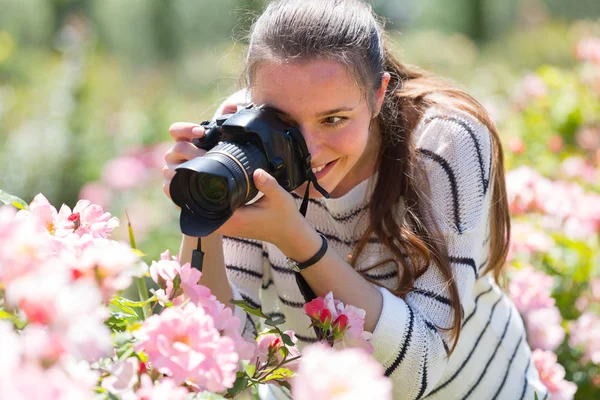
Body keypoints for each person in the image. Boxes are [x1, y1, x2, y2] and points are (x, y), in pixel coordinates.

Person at [162, 0, 548, 398]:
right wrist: (202, 202)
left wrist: (298, 240)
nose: (311, 151)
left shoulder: (443, 141)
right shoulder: (248, 148)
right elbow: (223, 358)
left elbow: (418, 371)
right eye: (285, 123)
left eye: (334, 119)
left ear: (378, 94)